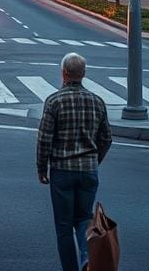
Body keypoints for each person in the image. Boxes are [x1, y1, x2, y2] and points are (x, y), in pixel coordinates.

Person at [37, 52, 112, 271]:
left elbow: (44, 139)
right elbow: (106, 138)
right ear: (84, 74)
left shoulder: (54, 101)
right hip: (88, 170)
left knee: (63, 226)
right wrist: (94, 160)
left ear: (64, 73)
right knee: (84, 219)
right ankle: (87, 259)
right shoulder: (97, 101)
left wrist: (42, 168)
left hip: (62, 169)